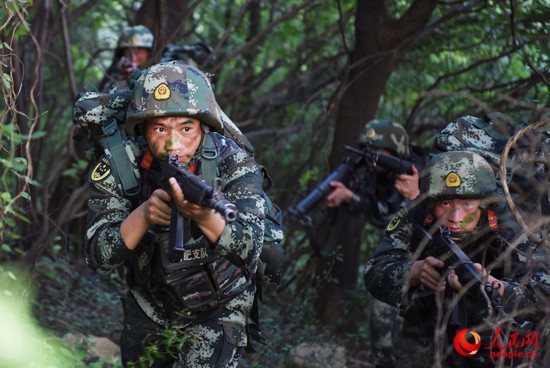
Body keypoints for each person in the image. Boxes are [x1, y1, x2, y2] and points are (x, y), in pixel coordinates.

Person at [84, 62, 266, 367]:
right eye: (160, 128)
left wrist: (205, 217)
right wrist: (143, 215)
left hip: (218, 304)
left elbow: (251, 248)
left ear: (203, 126)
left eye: (186, 128)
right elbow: (96, 257)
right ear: (143, 128)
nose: (174, 144)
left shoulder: (233, 162)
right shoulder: (123, 163)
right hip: (150, 303)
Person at [364, 150, 550, 367]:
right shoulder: (415, 214)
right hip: (436, 323)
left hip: (507, 326)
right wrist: (414, 271)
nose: (455, 217)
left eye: (467, 205)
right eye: (445, 204)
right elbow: (375, 271)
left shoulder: (507, 218)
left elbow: (544, 283)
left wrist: (496, 287)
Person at [325, 119, 426, 367]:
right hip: (411, 252)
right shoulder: (377, 174)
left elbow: (401, 218)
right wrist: (350, 197)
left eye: (380, 153)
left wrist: (416, 196)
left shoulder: (420, 171)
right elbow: (386, 217)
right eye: (370, 152)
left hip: (439, 250)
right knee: (384, 299)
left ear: (396, 153)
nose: (373, 159)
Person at [99, 25, 154, 93]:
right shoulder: (115, 72)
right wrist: (121, 77)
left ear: (149, 53)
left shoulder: (162, 66)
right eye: (127, 53)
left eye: (138, 52)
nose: (133, 58)